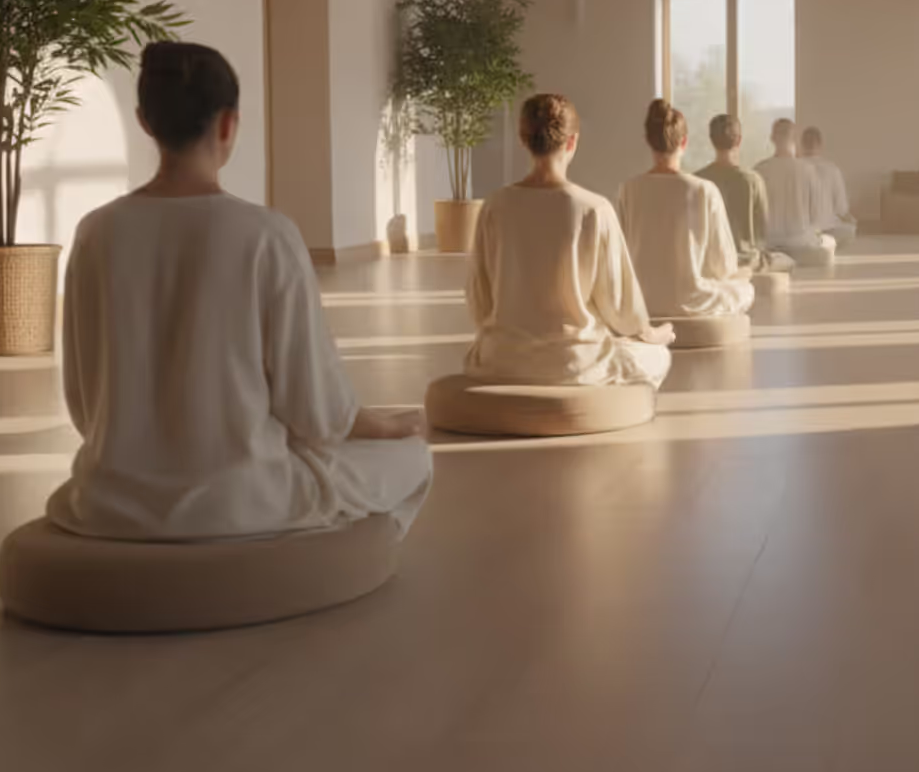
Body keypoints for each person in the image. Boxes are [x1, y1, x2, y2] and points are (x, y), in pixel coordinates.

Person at [49, 42, 432, 541]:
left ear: (145, 121)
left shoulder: (95, 231)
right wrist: (387, 427)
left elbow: (83, 404)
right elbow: (317, 415)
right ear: (229, 123)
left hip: (106, 501)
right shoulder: (266, 235)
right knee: (413, 458)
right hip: (243, 499)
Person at [466, 94, 674, 389]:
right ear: (572, 142)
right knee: (657, 355)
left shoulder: (493, 206)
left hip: (499, 359)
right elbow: (621, 308)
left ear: (523, 139)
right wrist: (649, 333)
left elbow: (480, 300)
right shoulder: (594, 208)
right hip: (571, 364)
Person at [619, 100, 756, 320]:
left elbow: (622, 255)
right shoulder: (703, 190)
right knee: (746, 289)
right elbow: (722, 267)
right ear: (684, 141)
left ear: (648, 141)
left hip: (640, 299)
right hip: (688, 299)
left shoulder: (628, 189)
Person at [696, 113, 792, 273]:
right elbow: (762, 232)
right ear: (739, 140)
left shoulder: (698, 180)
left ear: (711, 140)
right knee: (789, 261)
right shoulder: (753, 180)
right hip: (746, 261)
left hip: (709, 260)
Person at [754, 118, 836, 266]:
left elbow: (755, 215)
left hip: (769, 242)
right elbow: (817, 215)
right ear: (795, 139)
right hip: (801, 242)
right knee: (830, 241)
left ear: (772, 138)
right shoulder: (808, 169)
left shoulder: (759, 169)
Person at [800, 126, 858, 247]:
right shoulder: (832, 169)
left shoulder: (795, 169)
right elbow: (841, 208)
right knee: (850, 229)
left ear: (802, 144)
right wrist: (852, 221)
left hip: (801, 230)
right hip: (829, 229)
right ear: (820, 144)